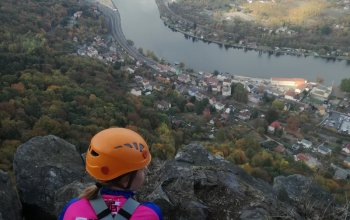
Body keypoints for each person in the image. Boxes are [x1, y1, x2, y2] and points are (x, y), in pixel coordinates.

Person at [59, 127, 162, 220]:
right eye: (141, 169)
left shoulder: (72, 208)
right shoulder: (150, 213)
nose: (146, 169)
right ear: (126, 180)